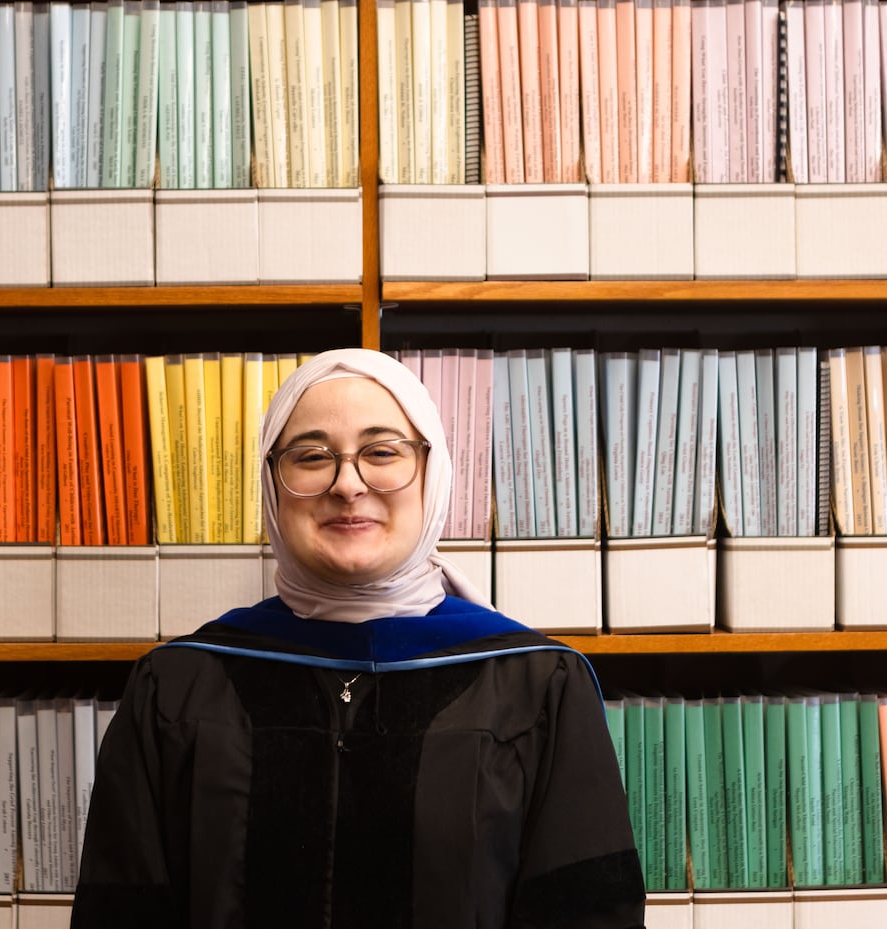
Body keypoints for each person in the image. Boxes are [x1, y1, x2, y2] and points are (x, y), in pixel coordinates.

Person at [72, 348, 645, 929]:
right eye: (311, 456)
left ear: (432, 473)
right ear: (271, 483)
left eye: (382, 452)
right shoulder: (176, 688)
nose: (348, 485)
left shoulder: (538, 687)